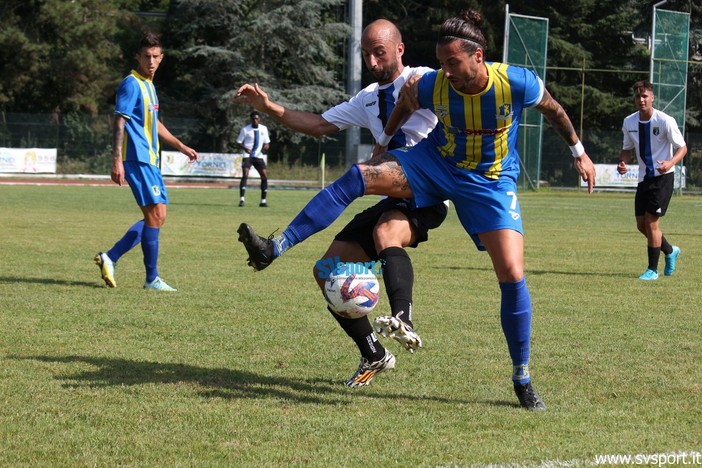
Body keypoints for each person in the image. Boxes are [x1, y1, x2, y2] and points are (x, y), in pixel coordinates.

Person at [238, 9, 597, 410]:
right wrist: (384, 142)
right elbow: (401, 105)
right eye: (443, 64)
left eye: (454, 63)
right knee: (343, 224)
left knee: (512, 274)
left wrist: (579, 153)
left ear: (478, 56)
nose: (448, 72)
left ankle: (521, 377)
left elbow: (554, 110)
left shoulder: (512, 81)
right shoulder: (426, 85)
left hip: (489, 181)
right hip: (433, 166)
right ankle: (284, 252)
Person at [234, 19, 447, 387]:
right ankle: (374, 354)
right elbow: (318, 124)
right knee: (326, 271)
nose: (372, 61)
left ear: (400, 49)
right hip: (391, 195)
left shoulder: (423, 79)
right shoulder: (366, 98)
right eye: (366, 54)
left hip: (427, 192)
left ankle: (402, 317)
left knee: (383, 228)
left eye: (379, 52)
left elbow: (459, 100)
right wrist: (268, 106)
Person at [94, 32, 198, 291]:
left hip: (150, 160)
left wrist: (181, 146)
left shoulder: (149, 86)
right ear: (137, 57)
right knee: (155, 215)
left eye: (155, 56)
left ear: (161, 58)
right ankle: (151, 278)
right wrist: (116, 159)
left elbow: (156, 125)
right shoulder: (131, 83)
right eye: (146, 56)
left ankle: (111, 256)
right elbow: (120, 121)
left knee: (158, 217)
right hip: (137, 158)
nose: (150, 61)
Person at [617, 80, 687, 280]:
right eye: (638, 96)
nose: (641, 100)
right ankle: (670, 250)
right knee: (641, 225)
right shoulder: (629, 122)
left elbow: (682, 147)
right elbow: (627, 149)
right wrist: (623, 162)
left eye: (645, 96)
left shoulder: (665, 120)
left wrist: (670, 162)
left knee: (651, 222)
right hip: (643, 178)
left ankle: (652, 270)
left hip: (663, 177)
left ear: (652, 98)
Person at [236, 111, 271, 207]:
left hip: (259, 156)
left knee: (264, 176)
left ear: (259, 119)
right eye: (253, 119)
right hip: (248, 156)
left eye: (257, 118)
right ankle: (242, 199)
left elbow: (267, 143)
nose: (255, 120)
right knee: (245, 174)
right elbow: (239, 142)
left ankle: (263, 200)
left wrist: (266, 147)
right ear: (250, 119)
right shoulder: (245, 130)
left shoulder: (264, 129)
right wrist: (245, 148)